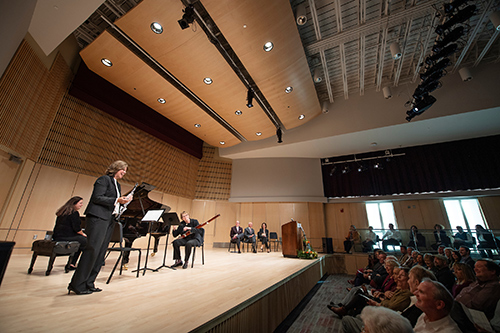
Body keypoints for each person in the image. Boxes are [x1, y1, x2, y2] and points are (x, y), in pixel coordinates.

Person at [68, 160, 131, 295]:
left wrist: (122, 203)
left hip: (109, 220)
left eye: (125, 170)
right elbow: (97, 198)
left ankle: (89, 283)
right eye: (123, 169)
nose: (124, 172)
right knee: (92, 250)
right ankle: (77, 285)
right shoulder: (104, 180)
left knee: (100, 253)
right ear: (116, 168)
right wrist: (117, 200)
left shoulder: (117, 186)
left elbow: (114, 204)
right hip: (97, 218)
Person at [52, 196, 87, 271]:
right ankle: (83, 264)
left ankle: (72, 263)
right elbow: (77, 229)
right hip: (66, 236)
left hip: (57, 236)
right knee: (86, 242)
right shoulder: (74, 213)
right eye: (80, 203)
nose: (82, 205)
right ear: (74, 204)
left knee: (80, 242)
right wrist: (83, 234)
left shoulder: (63, 212)